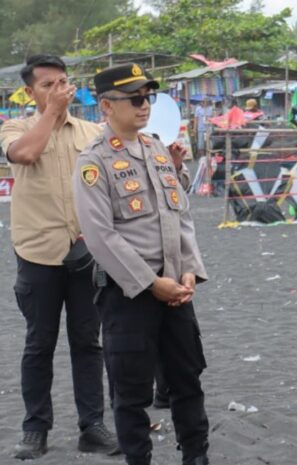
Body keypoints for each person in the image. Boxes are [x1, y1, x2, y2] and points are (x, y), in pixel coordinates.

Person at [72, 63, 210, 465]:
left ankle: (196, 456)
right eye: (134, 99)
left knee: (187, 381)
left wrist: (188, 270)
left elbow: (181, 215)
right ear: (106, 106)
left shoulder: (157, 151)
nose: (144, 105)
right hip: (128, 294)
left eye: (147, 97)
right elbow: (100, 235)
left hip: (176, 289)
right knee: (131, 392)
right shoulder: (94, 161)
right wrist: (151, 282)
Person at [0, 54, 118, 460]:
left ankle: (93, 426)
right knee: (39, 344)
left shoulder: (92, 131)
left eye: (62, 82)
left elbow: (110, 182)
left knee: (88, 343)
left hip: (87, 253)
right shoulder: (15, 128)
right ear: (29, 92)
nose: (58, 90)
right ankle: (35, 428)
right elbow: (24, 155)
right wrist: (50, 113)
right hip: (38, 252)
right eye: (47, 85)